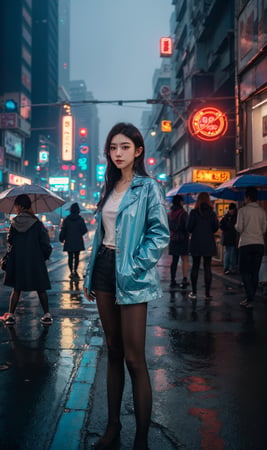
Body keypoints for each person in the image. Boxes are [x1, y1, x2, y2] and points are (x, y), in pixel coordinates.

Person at [83, 123, 169, 450]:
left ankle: (142, 439)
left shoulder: (148, 188)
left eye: (125, 147)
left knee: (135, 358)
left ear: (138, 151)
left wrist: (134, 265)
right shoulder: (110, 186)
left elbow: (159, 234)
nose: (117, 153)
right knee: (113, 351)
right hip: (105, 269)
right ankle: (113, 428)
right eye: (113, 148)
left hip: (131, 273)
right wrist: (92, 274)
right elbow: (101, 237)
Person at [0, 194, 53, 326]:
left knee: (17, 288)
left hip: (18, 260)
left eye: (16, 206)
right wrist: (43, 257)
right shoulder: (37, 223)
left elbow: (10, 241)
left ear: (21, 206)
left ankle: (11, 315)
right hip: (35, 260)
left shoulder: (14, 223)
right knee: (40, 288)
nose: (15, 208)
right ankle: (46, 315)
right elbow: (45, 243)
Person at [235, 186, 267, 309]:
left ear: (247, 197)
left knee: (244, 271)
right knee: (254, 272)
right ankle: (250, 298)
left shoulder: (243, 211)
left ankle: (250, 297)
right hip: (259, 244)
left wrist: (235, 226)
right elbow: (264, 229)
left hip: (246, 244)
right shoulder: (262, 211)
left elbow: (239, 228)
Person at [187, 192, 219, 301]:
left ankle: (194, 292)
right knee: (207, 267)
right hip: (208, 243)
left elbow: (189, 228)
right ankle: (207, 294)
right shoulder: (212, 213)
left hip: (196, 243)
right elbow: (215, 228)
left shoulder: (194, 213)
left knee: (195, 266)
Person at [59, 202, 88, 281]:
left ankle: (71, 272)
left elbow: (63, 230)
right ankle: (75, 271)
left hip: (69, 241)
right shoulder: (80, 219)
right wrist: (79, 234)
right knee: (77, 257)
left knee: (70, 257)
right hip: (78, 241)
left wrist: (62, 238)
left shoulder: (67, 219)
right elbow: (84, 230)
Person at [167, 194, 189, 288]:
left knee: (174, 260)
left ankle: (172, 280)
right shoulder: (183, 213)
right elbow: (186, 226)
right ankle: (184, 279)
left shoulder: (169, 213)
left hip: (173, 239)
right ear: (180, 202)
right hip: (182, 238)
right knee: (184, 259)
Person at [219, 203, 238, 274]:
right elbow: (221, 225)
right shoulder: (227, 217)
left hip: (231, 237)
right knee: (230, 252)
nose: (232, 211)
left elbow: (221, 225)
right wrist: (227, 228)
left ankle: (230, 267)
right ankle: (228, 267)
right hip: (229, 237)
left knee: (231, 252)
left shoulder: (227, 217)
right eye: (231, 210)